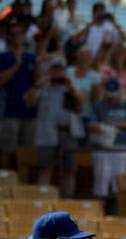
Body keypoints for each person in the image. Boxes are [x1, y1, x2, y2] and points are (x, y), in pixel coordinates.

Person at [25, 56, 85, 198]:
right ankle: (43, 199)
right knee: (45, 168)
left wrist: (70, 86)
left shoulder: (71, 86)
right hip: (47, 133)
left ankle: (67, 200)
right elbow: (29, 101)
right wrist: (41, 83)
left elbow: (82, 101)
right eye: (55, 69)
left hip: (68, 131)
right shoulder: (42, 86)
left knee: (69, 169)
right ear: (50, 70)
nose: (58, 73)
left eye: (61, 69)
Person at [0, 23, 38, 170]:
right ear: (8, 37)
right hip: (9, 110)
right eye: (13, 33)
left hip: (28, 111)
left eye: (19, 33)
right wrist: (16, 65)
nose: (16, 36)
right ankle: (4, 180)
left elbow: (37, 81)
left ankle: (24, 182)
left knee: (27, 151)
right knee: (7, 149)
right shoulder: (3, 57)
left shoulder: (31, 57)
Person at [89, 78, 126, 210]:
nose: (112, 98)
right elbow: (91, 124)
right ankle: (99, 213)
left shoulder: (125, 105)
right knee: (101, 186)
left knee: (118, 185)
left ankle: (117, 213)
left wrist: (114, 125)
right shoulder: (99, 105)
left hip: (119, 149)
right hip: (103, 149)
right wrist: (104, 128)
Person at [99, 43, 126, 108]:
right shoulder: (106, 69)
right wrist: (119, 68)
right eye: (118, 53)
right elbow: (107, 87)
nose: (120, 56)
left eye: (122, 53)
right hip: (112, 105)